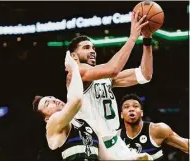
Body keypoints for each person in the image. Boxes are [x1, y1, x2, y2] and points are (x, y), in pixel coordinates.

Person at [66, 11, 153, 160]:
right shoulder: (75, 73)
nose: (92, 51)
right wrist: (133, 37)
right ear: (74, 56)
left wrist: (147, 40)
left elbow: (145, 75)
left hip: (115, 142)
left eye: (93, 48)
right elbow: (113, 69)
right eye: (86, 48)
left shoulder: (103, 75)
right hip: (94, 145)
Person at [32, 53, 151, 161]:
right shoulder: (53, 123)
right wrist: (74, 68)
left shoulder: (87, 123)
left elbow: (107, 159)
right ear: (46, 118)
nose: (54, 100)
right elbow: (76, 101)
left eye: (53, 98)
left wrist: (134, 159)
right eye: (48, 103)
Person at [118, 93, 189, 160]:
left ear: (142, 113)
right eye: (126, 107)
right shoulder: (116, 137)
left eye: (135, 106)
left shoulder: (157, 130)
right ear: (121, 115)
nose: (131, 109)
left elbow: (186, 145)